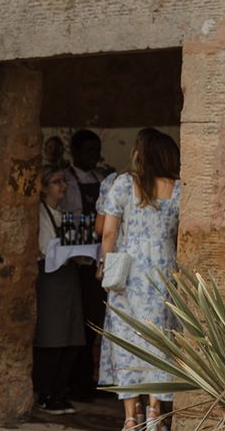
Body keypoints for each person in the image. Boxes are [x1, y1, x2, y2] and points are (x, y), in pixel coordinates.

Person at [98, 128, 181, 431]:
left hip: (128, 271)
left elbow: (108, 232)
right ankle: (155, 412)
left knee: (127, 339)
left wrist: (105, 263)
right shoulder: (179, 188)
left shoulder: (122, 185)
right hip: (163, 269)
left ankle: (130, 416)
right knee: (160, 339)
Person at [61, 129, 109, 398]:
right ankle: (73, 379)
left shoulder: (102, 179)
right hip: (74, 260)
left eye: (97, 150)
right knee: (75, 323)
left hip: (97, 259)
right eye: (90, 151)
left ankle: (87, 377)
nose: (95, 156)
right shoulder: (66, 180)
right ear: (76, 152)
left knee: (93, 320)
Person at [33, 166, 84, 415]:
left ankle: (60, 390)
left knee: (72, 335)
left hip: (68, 277)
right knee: (51, 336)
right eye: (56, 182)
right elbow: (45, 247)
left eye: (63, 181)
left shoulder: (63, 213)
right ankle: (46, 393)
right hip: (51, 279)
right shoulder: (40, 213)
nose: (62, 186)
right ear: (43, 187)